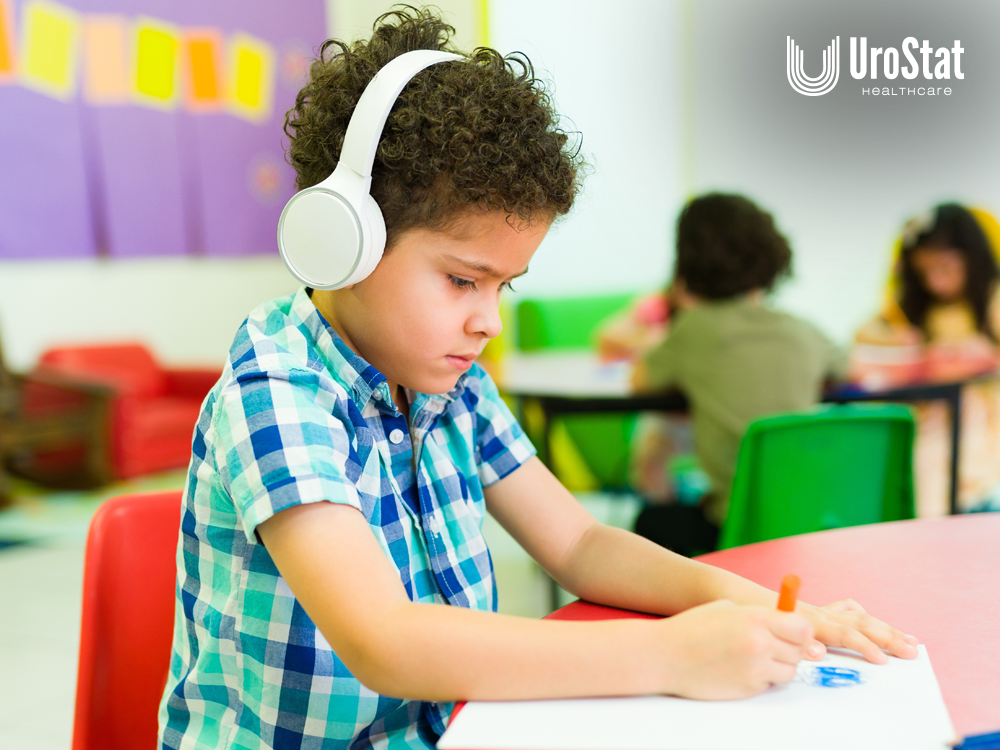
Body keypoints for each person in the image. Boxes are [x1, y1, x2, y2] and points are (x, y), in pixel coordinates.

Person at [158, 12, 916, 750]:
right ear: (342, 243)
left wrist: (747, 604)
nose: (488, 321)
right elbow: (382, 640)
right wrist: (674, 654)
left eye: (504, 287)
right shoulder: (276, 391)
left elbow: (580, 541)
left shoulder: (451, 387)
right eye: (462, 280)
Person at [630, 194, 849, 556]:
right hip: (809, 523)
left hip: (733, 530)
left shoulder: (693, 329)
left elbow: (639, 380)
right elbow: (847, 366)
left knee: (650, 521)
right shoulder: (803, 330)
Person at [855, 204, 1000, 514]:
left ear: (973, 259)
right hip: (931, 425)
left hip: (982, 425)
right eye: (924, 273)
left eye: (946, 269)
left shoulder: (993, 301)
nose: (936, 282)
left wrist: (983, 355)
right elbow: (861, 337)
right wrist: (902, 340)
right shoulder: (915, 312)